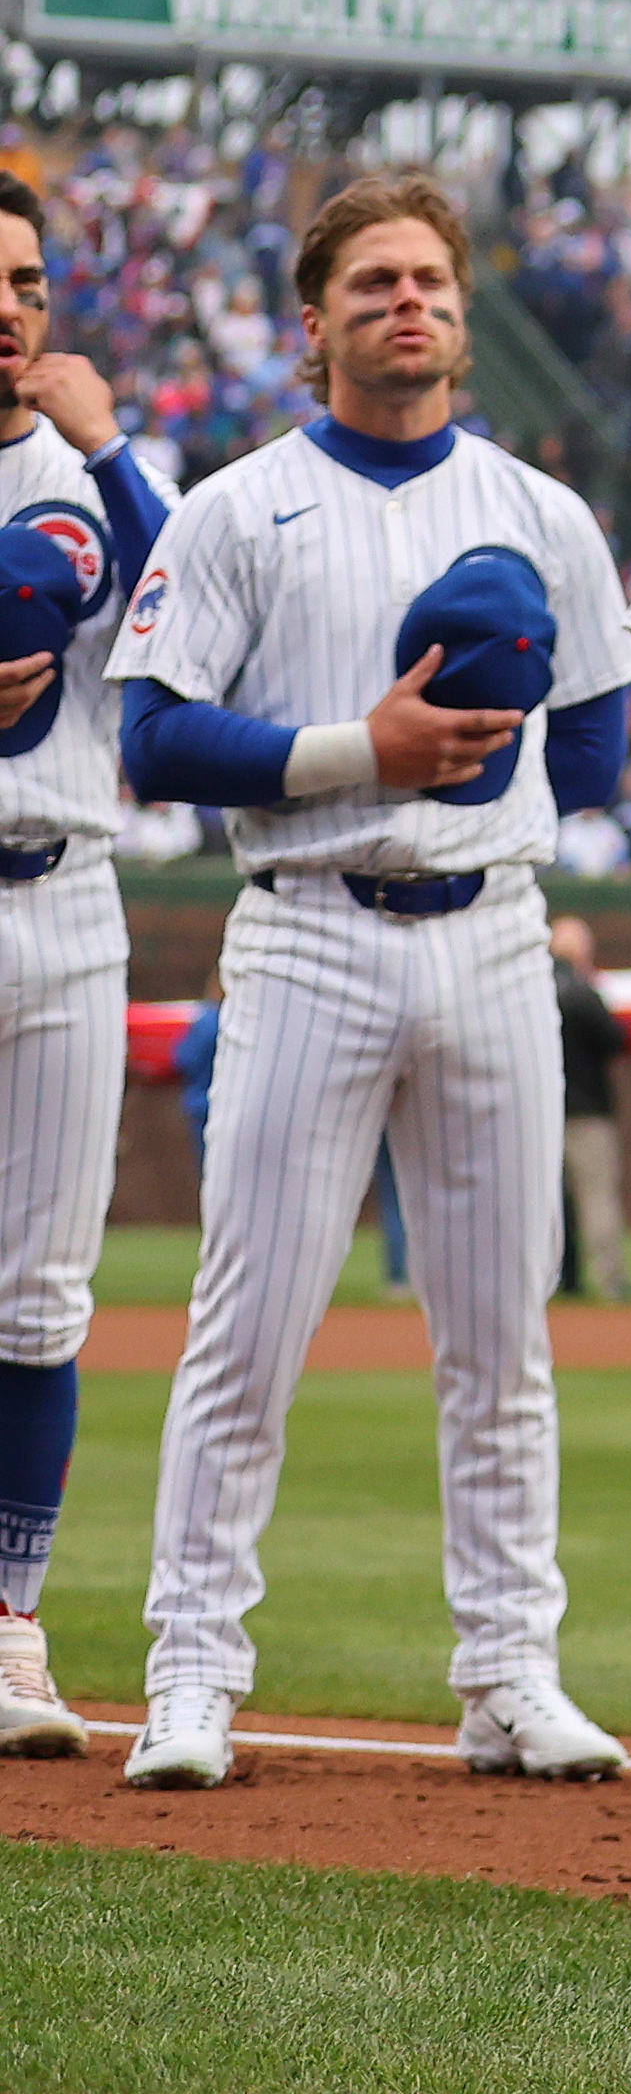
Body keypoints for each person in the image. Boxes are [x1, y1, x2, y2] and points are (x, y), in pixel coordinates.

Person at [117, 173, 631, 1792]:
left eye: (429, 281)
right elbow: (154, 740)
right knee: (249, 1326)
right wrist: (373, 747)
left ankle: (509, 1673)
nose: (405, 304)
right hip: (307, 923)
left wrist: (474, 749)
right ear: (314, 321)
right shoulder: (233, 506)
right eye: (372, 284)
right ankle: (195, 1675)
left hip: (489, 927)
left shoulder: (541, 514)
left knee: (502, 1336)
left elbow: (607, 744)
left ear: (463, 313)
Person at [0, 163, 169, 1758]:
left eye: (27, 286)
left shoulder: (93, 476)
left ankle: (11, 1628)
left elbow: (206, 621)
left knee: (42, 1301)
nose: (6, 311)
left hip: (62, 893)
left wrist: (113, 443)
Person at [549, 917, 631, 1301]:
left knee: (546, 1204)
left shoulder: (534, 989)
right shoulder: (584, 992)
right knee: (597, 1198)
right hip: (587, 1112)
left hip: (544, 1113)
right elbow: (614, 1040)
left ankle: (557, 1280)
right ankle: (610, 1281)